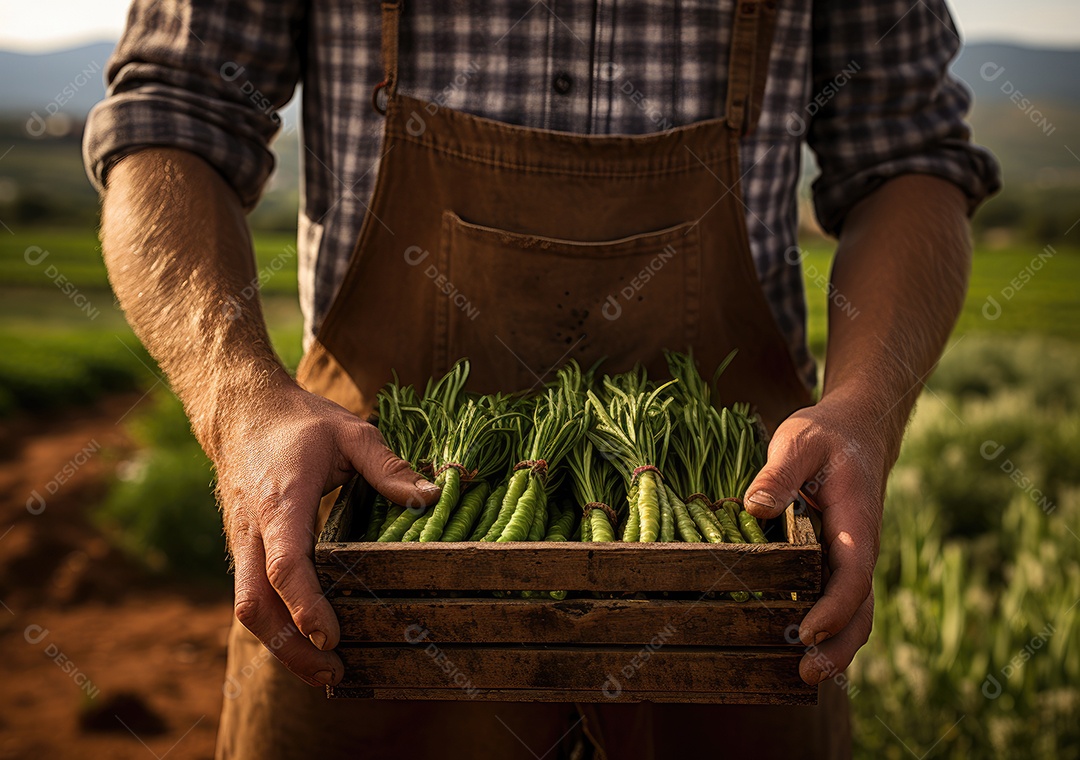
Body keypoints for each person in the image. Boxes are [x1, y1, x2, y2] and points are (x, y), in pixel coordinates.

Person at [84, 1, 999, 758]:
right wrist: (240, 402)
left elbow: (907, 157)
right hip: (368, 537)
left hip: (741, 554)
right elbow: (173, 114)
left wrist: (865, 409)